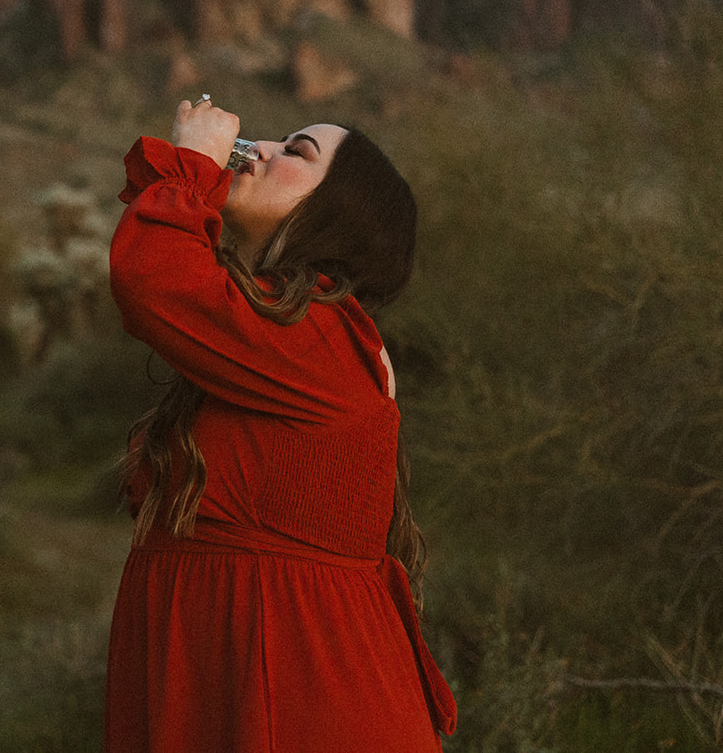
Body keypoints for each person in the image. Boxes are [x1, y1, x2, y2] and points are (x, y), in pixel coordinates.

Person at [103, 95, 457, 752]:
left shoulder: (322, 342)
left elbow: (151, 275)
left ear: (340, 214)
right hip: (233, 682)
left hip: (299, 698)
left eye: (297, 151)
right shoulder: (279, 331)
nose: (260, 147)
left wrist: (189, 168)